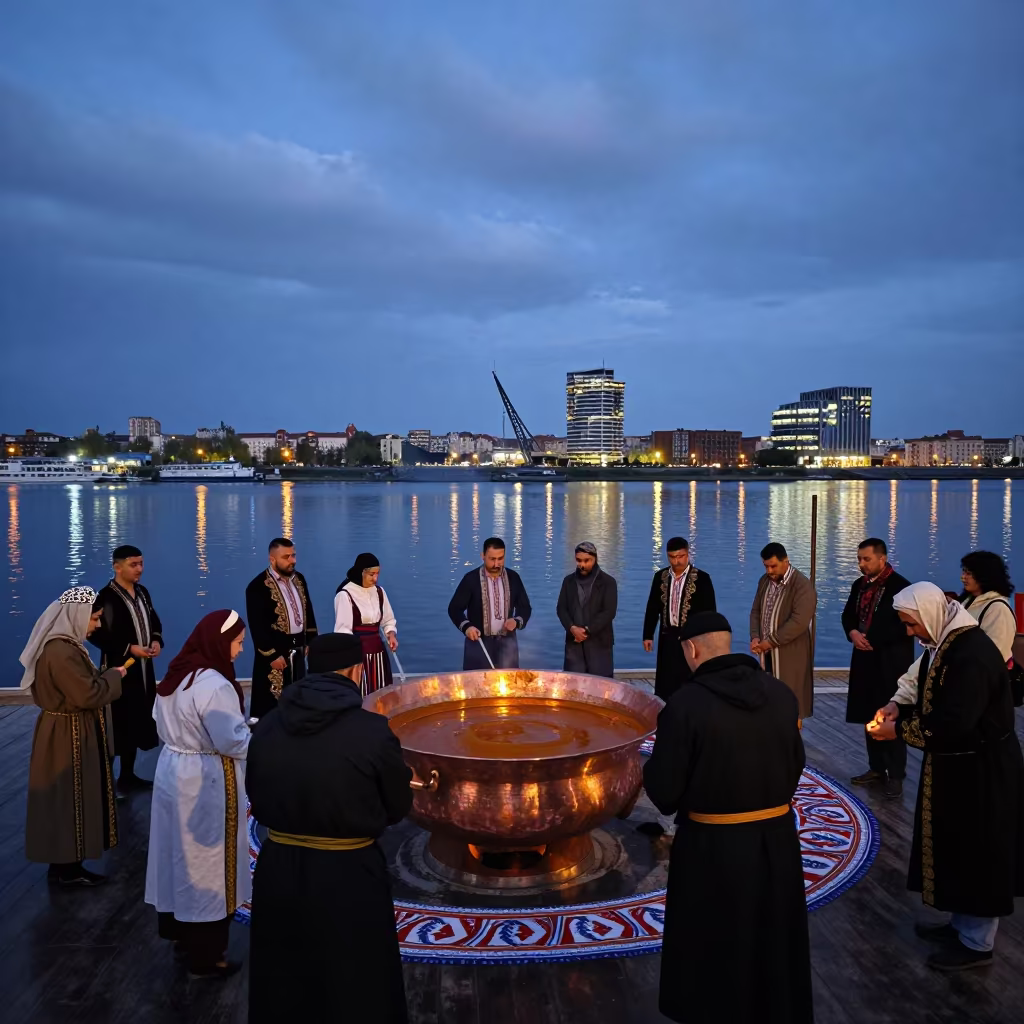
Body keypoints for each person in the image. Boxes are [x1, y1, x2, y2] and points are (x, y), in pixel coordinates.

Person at [643, 612, 812, 1024]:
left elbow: (664, 794)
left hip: (712, 848)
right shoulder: (781, 694)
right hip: (776, 842)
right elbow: (795, 766)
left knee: (714, 950)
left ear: (693, 649)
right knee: (771, 944)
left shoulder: (685, 705)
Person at [247, 633, 413, 1023]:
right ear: (355, 671)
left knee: (286, 977)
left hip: (279, 871)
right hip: (350, 872)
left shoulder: (268, 728)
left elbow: (256, 791)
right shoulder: (372, 732)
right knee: (355, 979)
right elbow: (397, 806)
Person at [870, 582, 1024, 971]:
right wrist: (894, 705)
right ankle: (961, 924)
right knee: (957, 843)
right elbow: (920, 682)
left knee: (977, 849)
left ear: (928, 615)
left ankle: (977, 943)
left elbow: (956, 721)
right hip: (959, 765)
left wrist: (899, 731)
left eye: (910, 624)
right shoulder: (948, 642)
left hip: (981, 769)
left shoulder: (970, 654)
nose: (910, 632)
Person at [145, 609, 251, 979]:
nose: (239, 652)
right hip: (206, 778)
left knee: (176, 852)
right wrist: (260, 737)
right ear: (220, 642)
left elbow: (161, 722)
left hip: (173, 769)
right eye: (237, 643)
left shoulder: (177, 677)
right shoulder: (216, 686)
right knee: (209, 860)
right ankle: (208, 955)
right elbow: (232, 740)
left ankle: (179, 931)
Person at [20, 587, 126, 886]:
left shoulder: (64, 646)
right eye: (95, 618)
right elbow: (86, 693)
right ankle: (66, 868)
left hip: (66, 729)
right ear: (77, 616)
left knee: (67, 797)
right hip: (67, 734)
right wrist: (114, 676)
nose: (97, 625)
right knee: (70, 796)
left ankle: (67, 863)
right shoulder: (61, 651)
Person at [841, 538, 914, 798]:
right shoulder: (858, 585)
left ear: (882, 559)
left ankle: (896, 775)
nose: (861, 564)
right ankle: (876, 768)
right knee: (868, 713)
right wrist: (852, 633)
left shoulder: (901, 587)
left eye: (866, 559)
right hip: (864, 658)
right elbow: (848, 615)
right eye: (859, 559)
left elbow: (905, 626)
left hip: (891, 662)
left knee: (891, 715)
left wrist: (873, 638)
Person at [89, 545, 164, 791]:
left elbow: (153, 619)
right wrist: (129, 648)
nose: (139, 569)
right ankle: (106, 784)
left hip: (143, 669)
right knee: (116, 721)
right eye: (134, 564)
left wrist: (155, 640)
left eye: (141, 563)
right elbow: (94, 634)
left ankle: (128, 776)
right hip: (117, 669)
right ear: (117, 566)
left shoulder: (142, 592)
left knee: (137, 717)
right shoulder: (105, 597)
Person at [245, 537, 318, 719]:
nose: (292, 560)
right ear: (272, 559)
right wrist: (271, 654)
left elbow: (308, 611)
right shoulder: (257, 587)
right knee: (272, 703)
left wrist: (311, 641)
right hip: (275, 653)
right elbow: (257, 625)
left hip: (299, 648)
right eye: (286, 557)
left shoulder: (299, 579)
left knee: (299, 697)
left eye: (293, 555)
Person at [642, 537, 717, 701]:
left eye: (681, 556)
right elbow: (652, 607)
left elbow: (710, 613)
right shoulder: (660, 577)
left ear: (687, 554)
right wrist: (648, 634)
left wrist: (707, 643)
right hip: (666, 635)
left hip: (691, 639)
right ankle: (666, 713)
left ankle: (690, 715)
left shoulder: (702, 579)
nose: (677, 561)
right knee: (666, 680)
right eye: (672, 557)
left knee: (688, 679)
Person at [749, 542, 817, 720]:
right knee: (768, 695)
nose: (769, 571)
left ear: (786, 561)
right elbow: (756, 611)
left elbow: (798, 622)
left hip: (790, 653)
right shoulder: (764, 581)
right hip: (766, 652)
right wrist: (755, 637)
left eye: (773, 566)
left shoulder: (802, 586)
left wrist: (770, 642)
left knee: (791, 700)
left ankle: (793, 740)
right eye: (766, 566)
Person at [447, 537, 532, 669]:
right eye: (492, 559)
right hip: (479, 643)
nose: (496, 564)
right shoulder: (471, 579)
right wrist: (467, 627)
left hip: (507, 642)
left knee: (508, 685)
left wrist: (516, 621)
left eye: (500, 558)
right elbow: (454, 609)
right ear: (483, 556)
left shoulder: (513, 578)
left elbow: (525, 607)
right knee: (476, 685)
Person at [334, 552, 398, 695]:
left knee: (381, 691)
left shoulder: (380, 592)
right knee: (361, 691)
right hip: (357, 653)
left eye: (377, 574)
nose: (375, 578)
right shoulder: (345, 595)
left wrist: (391, 634)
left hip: (378, 651)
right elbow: (342, 632)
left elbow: (388, 620)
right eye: (371, 575)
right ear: (361, 572)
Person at [555, 542, 617, 677]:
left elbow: (609, 612)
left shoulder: (608, 582)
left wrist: (586, 630)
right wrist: (572, 628)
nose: (582, 565)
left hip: (599, 644)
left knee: (601, 688)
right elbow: (561, 608)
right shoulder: (568, 581)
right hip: (574, 644)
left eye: (586, 561)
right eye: (578, 560)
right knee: (574, 687)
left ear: (595, 558)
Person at [958, 550, 1017, 662]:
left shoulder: (998, 609)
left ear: (984, 576)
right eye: (963, 571)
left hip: (980, 677)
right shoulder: (966, 602)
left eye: (969, 573)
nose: (963, 577)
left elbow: (996, 655)